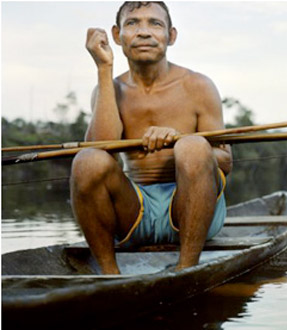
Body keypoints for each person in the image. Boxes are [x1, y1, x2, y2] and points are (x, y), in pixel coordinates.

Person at [70, 1, 232, 274]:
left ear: (171, 35)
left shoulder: (199, 86)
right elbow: (99, 152)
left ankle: (186, 269)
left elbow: (225, 162)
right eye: (133, 23)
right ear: (117, 35)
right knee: (87, 161)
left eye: (155, 23)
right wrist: (103, 68)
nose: (144, 32)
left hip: (192, 210)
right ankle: (110, 275)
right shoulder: (108, 87)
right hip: (134, 210)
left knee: (193, 147)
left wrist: (181, 139)